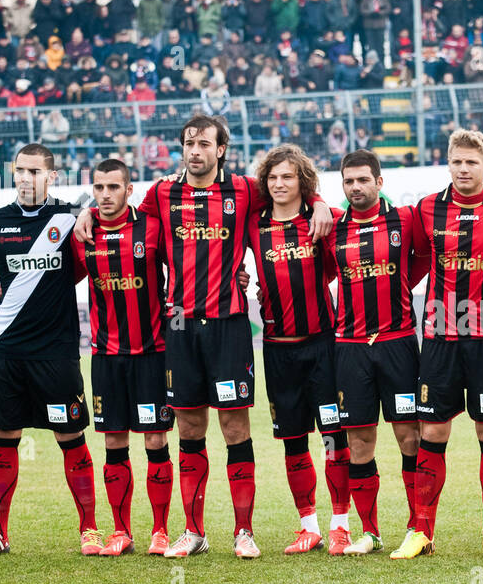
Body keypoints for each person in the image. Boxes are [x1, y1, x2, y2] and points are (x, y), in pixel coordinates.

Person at [73, 116, 333, 558]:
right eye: (188, 143)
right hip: (179, 326)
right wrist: (85, 210)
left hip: (230, 326)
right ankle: (194, 532)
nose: (194, 150)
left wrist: (320, 200)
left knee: (234, 426)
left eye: (204, 143)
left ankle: (243, 533)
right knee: (190, 428)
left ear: (220, 150)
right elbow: (115, 206)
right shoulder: (160, 193)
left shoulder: (246, 190)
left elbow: (287, 184)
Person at [392, 129, 483, 560]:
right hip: (438, 337)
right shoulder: (426, 209)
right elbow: (413, 260)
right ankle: (421, 531)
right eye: (457, 161)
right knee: (432, 431)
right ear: (448, 163)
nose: (464, 169)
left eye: (472, 162)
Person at [0, 144, 97, 557]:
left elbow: (104, 220)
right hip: (7, 351)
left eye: (35, 171)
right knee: (3, 436)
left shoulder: (71, 217)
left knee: (70, 435)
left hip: (56, 352)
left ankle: (89, 529)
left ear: (51, 176)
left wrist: (86, 210)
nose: (24, 178)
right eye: (19, 170)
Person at [250, 144, 351, 555]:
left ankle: (341, 524)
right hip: (277, 350)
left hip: (322, 346)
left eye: (288, 177)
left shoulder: (322, 221)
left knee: (333, 437)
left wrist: (320, 202)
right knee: (293, 439)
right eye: (273, 177)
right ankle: (308, 526)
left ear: (302, 181)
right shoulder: (253, 225)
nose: (279, 183)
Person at [71, 158, 175, 556]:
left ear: (129, 190)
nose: (105, 195)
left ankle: (161, 530)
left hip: (151, 353)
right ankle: (120, 530)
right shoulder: (83, 233)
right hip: (105, 356)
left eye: (113, 187)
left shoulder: (151, 227)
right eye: (98, 188)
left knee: (155, 440)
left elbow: (185, 264)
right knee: (113, 442)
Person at [330, 150, 430, 555]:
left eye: (362, 180)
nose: (356, 188)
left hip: (398, 344)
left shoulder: (405, 219)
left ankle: (418, 528)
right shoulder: (333, 229)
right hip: (350, 347)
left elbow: (425, 257)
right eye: (348, 181)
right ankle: (369, 533)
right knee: (358, 443)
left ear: (379, 182)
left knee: (410, 437)